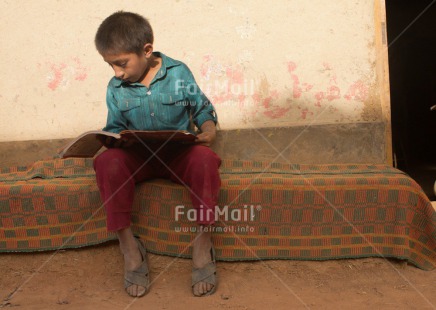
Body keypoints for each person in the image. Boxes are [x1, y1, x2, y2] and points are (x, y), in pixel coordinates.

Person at [93, 11, 221, 298]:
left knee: (206, 160)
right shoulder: (115, 87)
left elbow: (201, 108)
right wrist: (108, 140)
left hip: (178, 157)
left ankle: (203, 244)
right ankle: (129, 247)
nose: (117, 72)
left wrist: (209, 129)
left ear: (146, 50)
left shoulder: (179, 73)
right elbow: (115, 127)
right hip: (139, 159)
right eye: (110, 65)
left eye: (121, 63)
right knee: (105, 162)